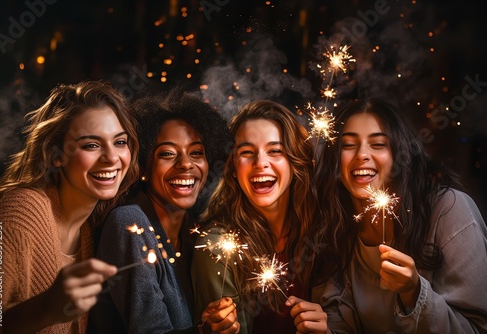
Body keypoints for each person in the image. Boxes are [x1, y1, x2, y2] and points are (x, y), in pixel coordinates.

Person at [312, 98, 487, 333]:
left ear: (399, 154)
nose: (362, 154)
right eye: (348, 144)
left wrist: (414, 293)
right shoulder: (334, 225)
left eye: (378, 144)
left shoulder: (449, 209)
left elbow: (477, 328)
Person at [0, 80, 139, 334]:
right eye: (91, 145)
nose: (112, 158)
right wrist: (45, 308)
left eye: (120, 142)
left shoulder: (90, 229)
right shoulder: (20, 211)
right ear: (56, 154)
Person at [90, 92, 239, 334]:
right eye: (168, 154)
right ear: (144, 167)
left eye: (197, 152)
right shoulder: (130, 224)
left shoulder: (191, 232)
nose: (185, 164)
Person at [192, 100, 328, 334]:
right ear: (233, 168)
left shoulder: (326, 229)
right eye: (246, 152)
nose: (260, 163)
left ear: (295, 161)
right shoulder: (216, 248)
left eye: (275, 151)